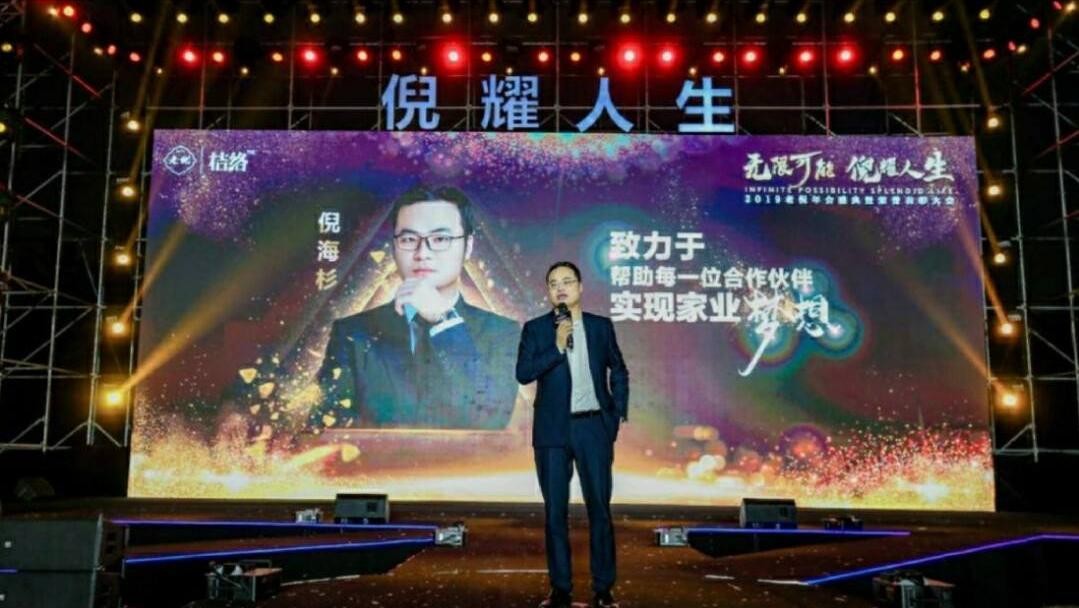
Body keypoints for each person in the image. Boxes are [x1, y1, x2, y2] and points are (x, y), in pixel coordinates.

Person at [312, 185, 520, 430]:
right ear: (394, 247)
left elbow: (492, 418)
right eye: (409, 239)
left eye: (440, 239)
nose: (422, 253)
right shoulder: (351, 333)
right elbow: (325, 430)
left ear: (468, 246)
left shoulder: (503, 333)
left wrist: (443, 322)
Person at [516, 261, 629, 608]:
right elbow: (523, 373)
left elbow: (618, 369)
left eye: (567, 281)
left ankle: (603, 589)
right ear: (548, 292)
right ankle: (560, 589)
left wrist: (614, 416)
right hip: (552, 432)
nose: (560, 288)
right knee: (555, 513)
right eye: (553, 284)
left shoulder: (600, 326)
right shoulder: (536, 329)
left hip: (592, 428)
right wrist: (556, 346)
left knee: (599, 510)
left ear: (580, 287)